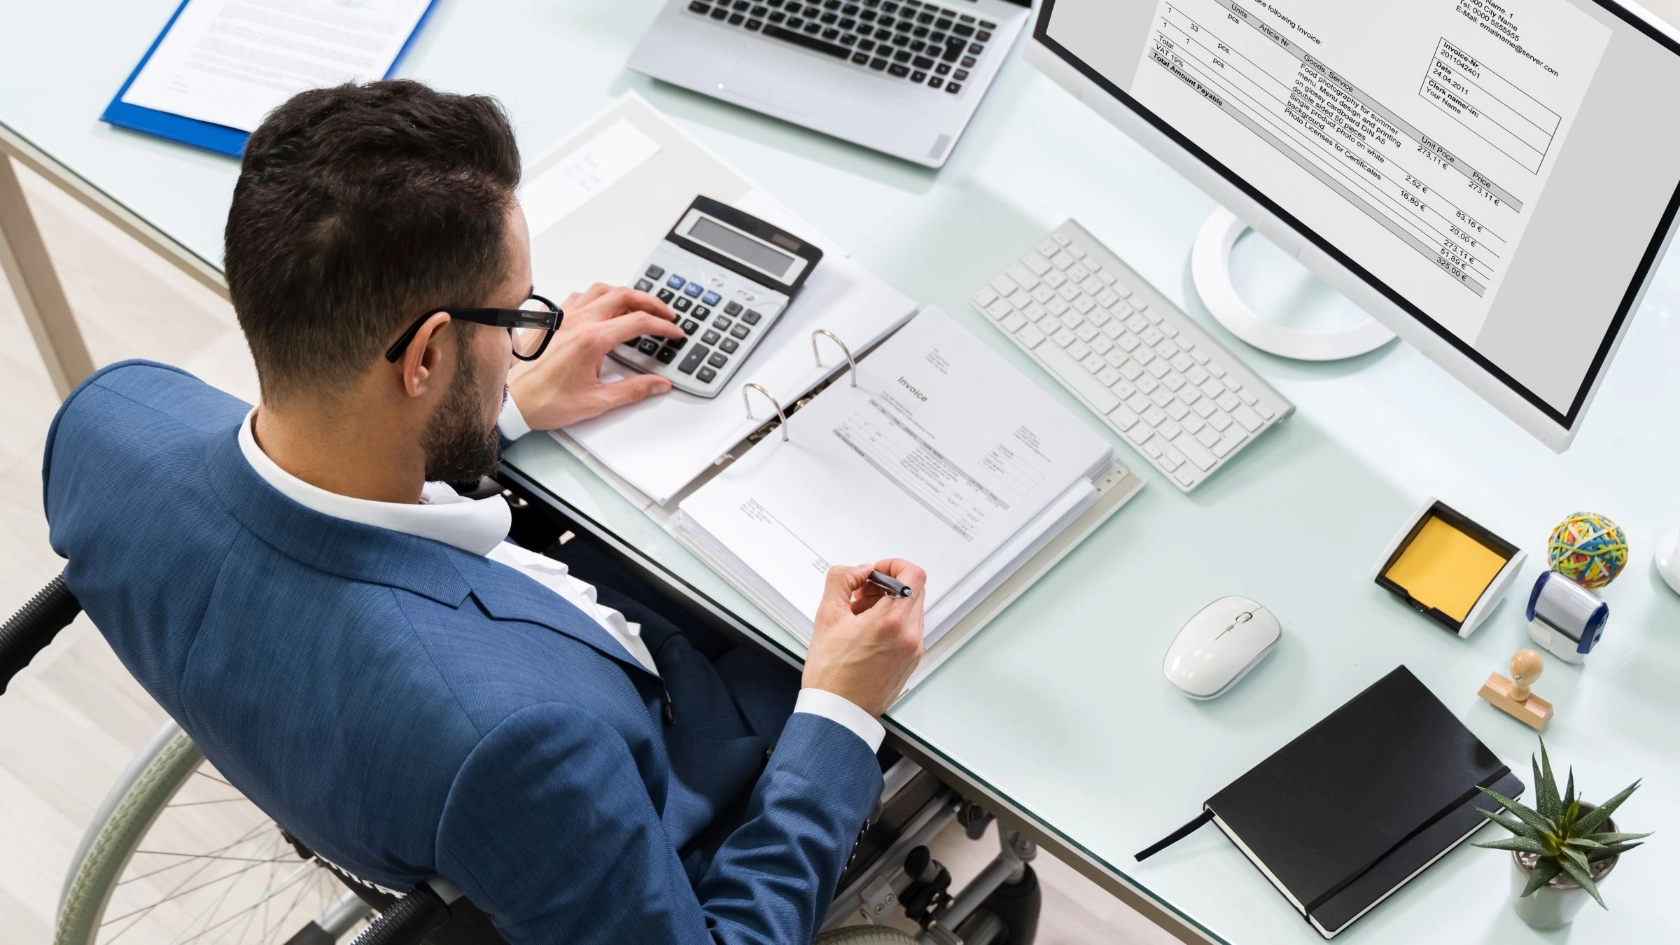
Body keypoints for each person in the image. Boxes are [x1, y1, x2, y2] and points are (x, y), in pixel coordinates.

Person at [43, 80, 925, 945]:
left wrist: (497, 409)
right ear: (425, 354)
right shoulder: (520, 748)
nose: (522, 342)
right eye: (513, 318)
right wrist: (842, 713)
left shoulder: (109, 424)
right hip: (657, 758)